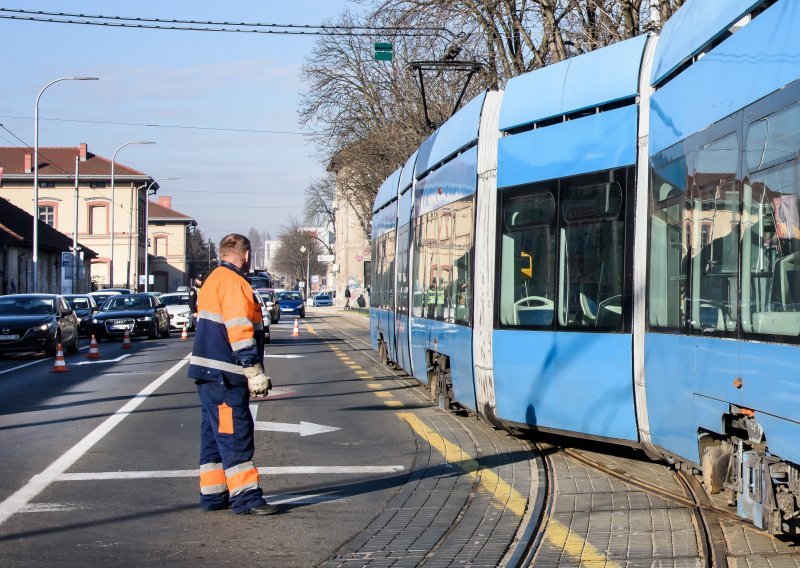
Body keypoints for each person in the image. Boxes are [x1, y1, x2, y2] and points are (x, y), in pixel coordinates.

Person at [187, 233, 277, 516]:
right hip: (225, 375)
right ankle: (246, 498)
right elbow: (240, 330)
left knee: (213, 437)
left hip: (206, 373)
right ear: (246, 254)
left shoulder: (213, 280)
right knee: (234, 434)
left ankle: (213, 496)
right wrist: (253, 370)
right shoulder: (236, 283)